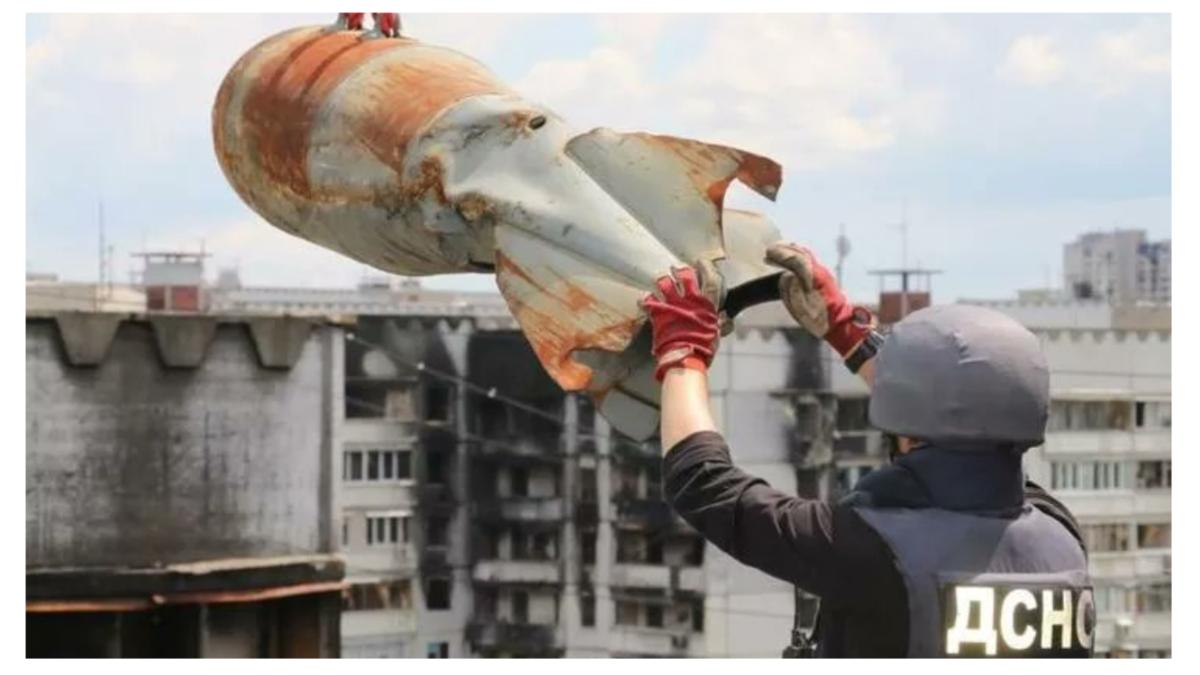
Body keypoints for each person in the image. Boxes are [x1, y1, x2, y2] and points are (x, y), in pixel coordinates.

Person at [640, 242, 1094, 657]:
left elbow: (703, 484)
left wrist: (683, 352)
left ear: (907, 428)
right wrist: (845, 329)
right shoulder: (1060, 538)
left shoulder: (870, 548)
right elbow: (976, 436)